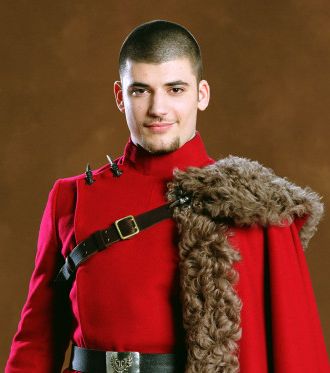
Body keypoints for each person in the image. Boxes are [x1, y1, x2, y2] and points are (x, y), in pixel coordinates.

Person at [5, 20, 329, 373]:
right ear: (120, 96)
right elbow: (36, 340)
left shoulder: (252, 206)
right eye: (141, 90)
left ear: (201, 94)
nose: (158, 109)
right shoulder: (71, 198)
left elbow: (295, 350)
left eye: (175, 89)